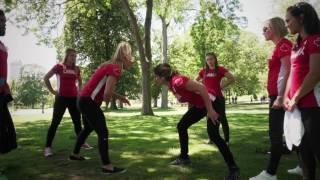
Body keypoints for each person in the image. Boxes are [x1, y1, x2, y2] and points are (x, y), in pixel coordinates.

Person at [154, 63, 239, 180]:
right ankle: (184, 158)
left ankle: (233, 169)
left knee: (214, 135)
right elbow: (191, 97)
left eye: (156, 76)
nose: (155, 79)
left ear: (162, 77)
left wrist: (210, 110)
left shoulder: (178, 81)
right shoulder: (172, 86)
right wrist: (190, 114)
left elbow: (202, 88)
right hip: (201, 106)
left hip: (213, 103)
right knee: (182, 125)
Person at [68, 42, 133, 174]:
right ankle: (106, 166)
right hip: (88, 102)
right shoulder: (116, 68)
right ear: (125, 57)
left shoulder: (110, 65)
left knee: (88, 128)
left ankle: (74, 154)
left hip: (82, 100)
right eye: (131, 58)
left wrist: (120, 97)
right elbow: (107, 93)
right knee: (103, 132)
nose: (132, 62)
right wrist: (107, 106)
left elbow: (105, 88)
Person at [249, 17, 292, 180]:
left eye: (265, 29)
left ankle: (270, 173)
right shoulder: (280, 46)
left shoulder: (283, 45)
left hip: (280, 96)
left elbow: (288, 71)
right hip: (277, 95)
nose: (263, 32)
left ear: (274, 28)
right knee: (291, 132)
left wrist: (281, 96)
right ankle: (303, 166)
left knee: (275, 133)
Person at [284, 2, 320, 180]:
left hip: (313, 105)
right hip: (296, 106)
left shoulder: (315, 39)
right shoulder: (296, 45)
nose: (287, 24)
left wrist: (295, 98)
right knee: (304, 153)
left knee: (317, 148)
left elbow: (315, 74)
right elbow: (292, 73)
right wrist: (285, 97)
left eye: (288, 20)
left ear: (301, 17)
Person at [43, 48, 91, 157]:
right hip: (61, 99)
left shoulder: (77, 69)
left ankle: (81, 142)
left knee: (77, 122)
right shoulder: (59, 67)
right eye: (71, 55)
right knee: (55, 123)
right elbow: (46, 78)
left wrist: (79, 91)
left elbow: (79, 81)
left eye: (75, 56)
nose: (73, 58)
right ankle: (48, 147)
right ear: (66, 56)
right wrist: (52, 91)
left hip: (74, 99)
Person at [196, 52, 235, 145]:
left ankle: (226, 140)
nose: (210, 61)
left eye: (211, 59)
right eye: (208, 59)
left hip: (218, 98)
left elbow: (232, 78)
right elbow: (195, 81)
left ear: (215, 59)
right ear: (206, 61)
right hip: (207, 99)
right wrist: (200, 90)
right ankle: (211, 138)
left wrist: (222, 85)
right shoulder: (203, 71)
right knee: (209, 118)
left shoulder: (220, 69)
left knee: (222, 118)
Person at [0, 9, 17, 154]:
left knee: (6, 134)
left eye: (5, 21)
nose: (4, 24)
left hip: (1, 94)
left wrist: (6, 88)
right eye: (1, 21)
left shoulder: (2, 46)